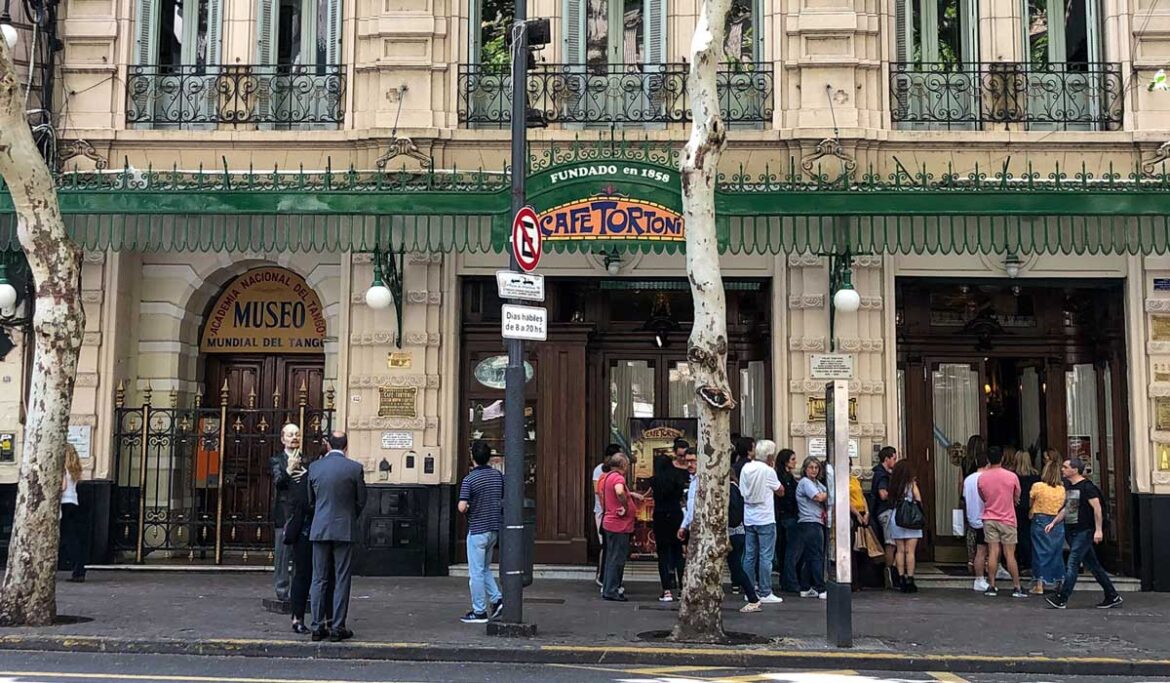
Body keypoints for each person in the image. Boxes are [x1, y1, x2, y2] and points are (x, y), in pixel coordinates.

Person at [307, 431, 367, 642]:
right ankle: (337, 627)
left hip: (320, 528)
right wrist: (349, 516)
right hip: (344, 529)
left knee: (318, 578)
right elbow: (361, 500)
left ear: (328, 445)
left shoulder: (315, 467)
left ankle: (316, 626)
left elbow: (311, 500)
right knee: (342, 578)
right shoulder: (354, 468)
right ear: (346, 446)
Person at [1046, 458, 1123, 610]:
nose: (1062, 469)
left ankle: (1062, 598)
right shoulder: (1071, 486)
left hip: (1084, 530)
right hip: (1073, 530)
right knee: (1094, 566)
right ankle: (1112, 595)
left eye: (1065, 467)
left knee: (1073, 563)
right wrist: (1054, 522)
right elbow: (1069, 508)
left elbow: (1097, 508)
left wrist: (1098, 530)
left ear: (1075, 470)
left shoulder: (1087, 487)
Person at [283, 447, 332, 634]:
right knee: (308, 576)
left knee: (306, 576)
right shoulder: (309, 477)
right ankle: (302, 618)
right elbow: (303, 504)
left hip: (309, 531)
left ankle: (303, 618)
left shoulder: (308, 476)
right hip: (308, 532)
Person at [458, 440, 505, 623]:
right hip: (493, 528)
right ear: (489, 457)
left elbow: (462, 506)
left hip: (477, 529)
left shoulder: (470, 479)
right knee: (485, 568)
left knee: (476, 572)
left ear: (473, 457)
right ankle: (497, 599)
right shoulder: (497, 476)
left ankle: (479, 611)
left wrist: (469, 505)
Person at [739, 439, 785, 604]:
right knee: (766, 556)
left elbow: (742, 490)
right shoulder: (768, 471)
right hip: (765, 517)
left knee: (749, 556)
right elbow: (780, 491)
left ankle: (749, 591)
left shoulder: (746, 468)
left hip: (749, 517)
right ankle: (765, 591)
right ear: (770, 456)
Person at [978, 446, 1026, 598]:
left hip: (989, 517)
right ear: (1002, 458)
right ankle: (1017, 586)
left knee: (993, 552)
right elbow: (1017, 495)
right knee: (1009, 554)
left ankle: (992, 585)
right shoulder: (1011, 476)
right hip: (1007, 518)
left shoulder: (982, 477)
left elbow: (982, 496)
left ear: (988, 459)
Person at [600, 453, 645, 601]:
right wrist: (625, 506)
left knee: (611, 558)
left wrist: (631, 494)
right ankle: (612, 590)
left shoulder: (608, 476)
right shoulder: (618, 478)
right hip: (618, 525)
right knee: (617, 559)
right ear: (623, 465)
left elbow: (618, 491)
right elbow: (619, 491)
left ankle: (608, 588)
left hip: (611, 524)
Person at [651, 447, 688, 602]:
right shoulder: (677, 478)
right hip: (675, 514)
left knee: (663, 554)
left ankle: (666, 590)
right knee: (678, 553)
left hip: (660, 515)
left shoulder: (654, 481)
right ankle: (682, 589)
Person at [270, 423, 301, 602]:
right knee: (282, 555)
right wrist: (289, 469)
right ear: (283, 439)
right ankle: (282, 590)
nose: (294, 437)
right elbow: (279, 482)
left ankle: (298, 590)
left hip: (301, 513)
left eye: (296, 434)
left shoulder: (306, 460)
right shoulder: (277, 460)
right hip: (284, 513)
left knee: (300, 555)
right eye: (290, 435)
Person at [791, 457, 827, 599]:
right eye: (811, 467)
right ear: (805, 469)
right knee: (816, 555)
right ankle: (821, 588)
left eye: (816, 468)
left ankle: (805, 587)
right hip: (810, 521)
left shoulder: (816, 483)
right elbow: (819, 497)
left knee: (809, 556)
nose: (814, 470)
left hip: (816, 521)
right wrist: (829, 494)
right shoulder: (805, 482)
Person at [1029, 459, 1066, 595]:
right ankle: (1059, 581)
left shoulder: (1038, 486)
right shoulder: (1062, 489)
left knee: (1040, 551)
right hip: (1057, 520)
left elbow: (1031, 502)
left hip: (1040, 519)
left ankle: (1039, 584)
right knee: (1056, 551)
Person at [728, 464, 762, 612]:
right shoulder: (736, 488)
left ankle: (753, 598)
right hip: (737, 532)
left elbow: (734, 514)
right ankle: (752, 597)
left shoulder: (730, 489)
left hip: (732, 533)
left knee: (736, 568)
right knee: (735, 567)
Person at [887, 460, 923, 593]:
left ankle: (901, 578)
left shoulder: (893, 484)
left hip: (897, 517)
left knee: (900, 550)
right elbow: (918, 500)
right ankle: (910, 579)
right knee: (910, 551)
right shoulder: (911, 484)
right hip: (911, 519)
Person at [593, 444, 624, 588]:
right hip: (603, 511)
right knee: (606, 546)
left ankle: (608, 578)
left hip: (610, 512)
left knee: (610, 547)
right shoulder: (600, 470)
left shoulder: (616, 473)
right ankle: (602, 576)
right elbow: (598, 491)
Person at [869, 446, 898, 588]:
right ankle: (889, 575)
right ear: (887, 459)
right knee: (891, 543)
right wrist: (897, 491)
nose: (895, 461)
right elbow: (883, 494)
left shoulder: (881, 473)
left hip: (882, 511)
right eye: (894, 458)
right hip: (886, 511)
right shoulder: (882, 475)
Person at [962, 448, 990, 592]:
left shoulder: (968, 479)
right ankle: (980, 579)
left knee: (980, 550)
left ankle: (980, 577)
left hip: (972, 517)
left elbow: (964, 497)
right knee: (984, 550)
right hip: (985, 517)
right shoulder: (986, 479)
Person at [60, 444, 87, 583]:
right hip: (73, 502)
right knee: (73, 538)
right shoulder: (74, 469)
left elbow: (63, 487)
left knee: (68, 538)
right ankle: (79, 568)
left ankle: (77, 569)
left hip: (64, 503)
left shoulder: (62, 469)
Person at [1011, 448, 1040, 578]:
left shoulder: (1013, 475)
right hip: (1031, 507)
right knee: (1030, 535)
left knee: (1018, 535)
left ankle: (1019, 561)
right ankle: (1030, 563)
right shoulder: (1036, 476)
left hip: (1016, 507)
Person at [774, 448, 800, 593]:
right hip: (788, 517)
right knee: (791, 551)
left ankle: (786, 581)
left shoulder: (786, 476)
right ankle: (790, 581)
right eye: (793, 459)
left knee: (785, 550)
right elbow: (787, 497)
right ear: (785, 462)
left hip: (784, 517)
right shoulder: (784, 478)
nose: (795, 462)